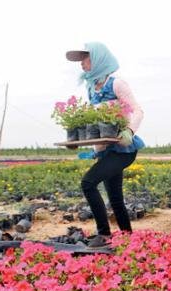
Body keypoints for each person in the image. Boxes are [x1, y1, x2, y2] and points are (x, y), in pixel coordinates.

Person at [66, 42, 145, 248]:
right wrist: (80, 143)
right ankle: (127, 237)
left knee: (88, 183)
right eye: (81, 61)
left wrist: (129, 131)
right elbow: (97, 124)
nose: (82, 64)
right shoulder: (91, 87)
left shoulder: (116, 83)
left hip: (123, 149)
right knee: (115, 197)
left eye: (85, 59)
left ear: (99, 58)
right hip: (106, 151)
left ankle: (104, 234)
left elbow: (138, 110)